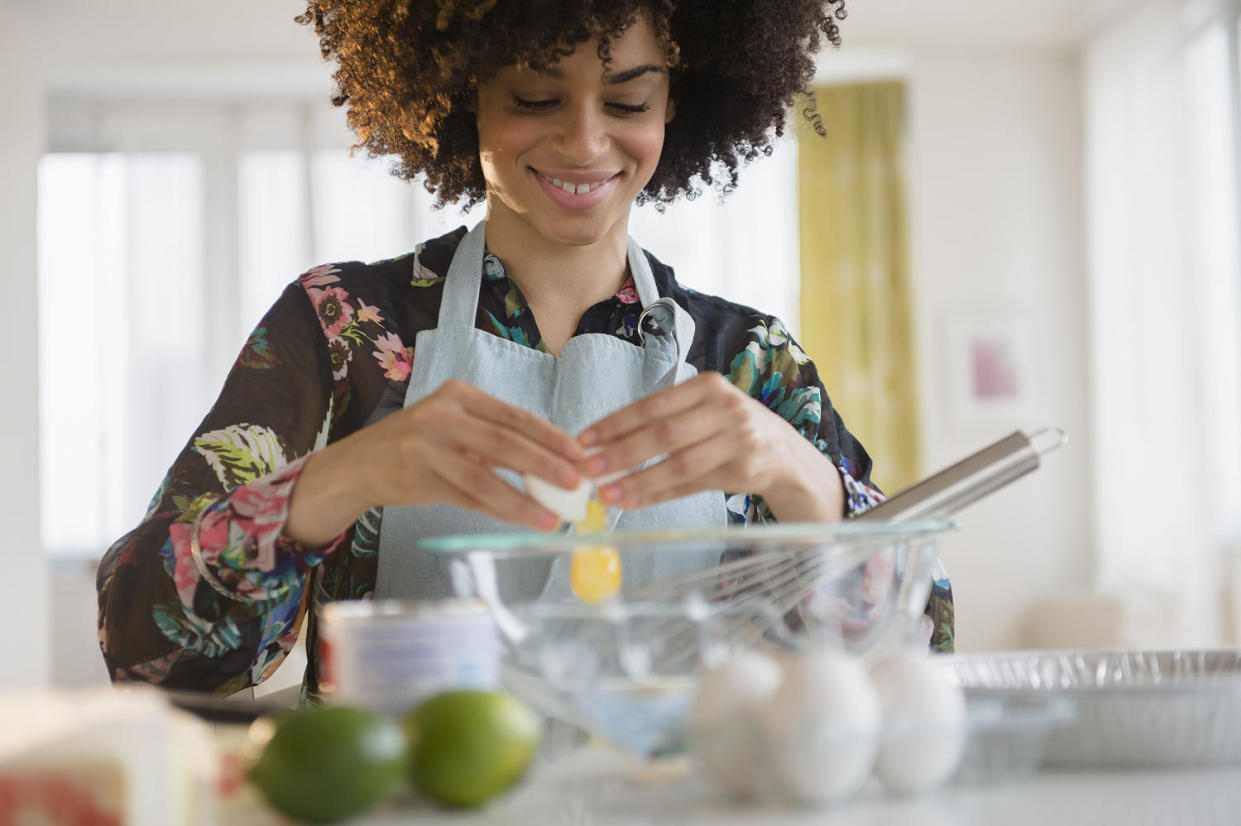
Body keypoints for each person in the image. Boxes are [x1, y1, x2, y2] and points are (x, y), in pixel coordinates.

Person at [97, 0, 953, 696]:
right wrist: (343, 478)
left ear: (675, 107)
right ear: (461, 92)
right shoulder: (344, 325)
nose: (584, 142)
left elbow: (915, 663)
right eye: (535, 99)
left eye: (627, 101)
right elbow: (144, 648)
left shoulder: (750, 360)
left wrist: (802, 480)